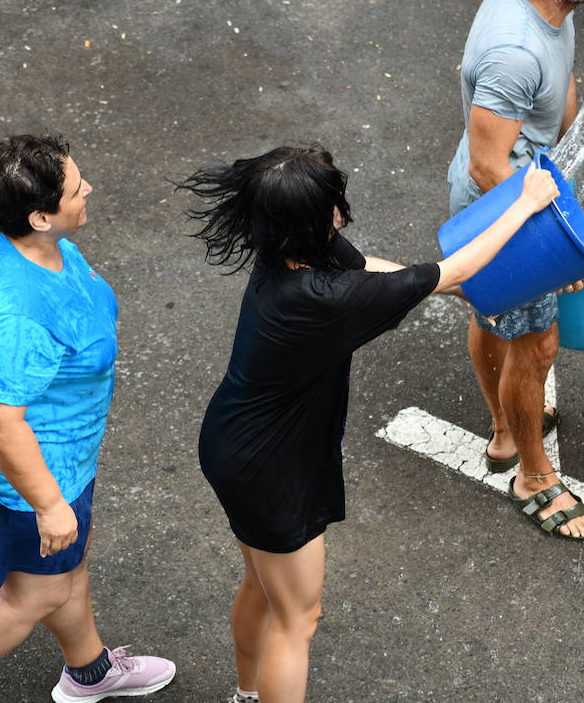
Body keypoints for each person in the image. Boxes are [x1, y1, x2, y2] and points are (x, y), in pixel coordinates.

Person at [181, 144, 562, 703]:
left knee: (265, 590)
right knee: (298, 618)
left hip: (240, 442)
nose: (342, 212)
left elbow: (391, 274)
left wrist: (514, 281)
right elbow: (445, 271)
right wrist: (525, 204)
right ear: (309, 218)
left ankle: (246, 693)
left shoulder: (290, 249)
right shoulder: (319, 298)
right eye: (333, 204)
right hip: (269, 467)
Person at [0, 135, 175, 703]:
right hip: (16, 478)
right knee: (33, 595)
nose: (87, 188)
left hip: (55, 461)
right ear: (40, 215)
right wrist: (48, 503)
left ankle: (89, 674)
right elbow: (0, 420)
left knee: (62, 574)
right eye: (74, 188)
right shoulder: (18, 319)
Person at [445, 0, 584, 542]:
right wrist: (551, 245)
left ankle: (504, 429)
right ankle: (534, 476)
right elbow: (490, 166)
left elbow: (560, 79)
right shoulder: (514, 54)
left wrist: (573, 160)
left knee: (498, 320)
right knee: (536, 344)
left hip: (526, 187)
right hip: (503, 206)